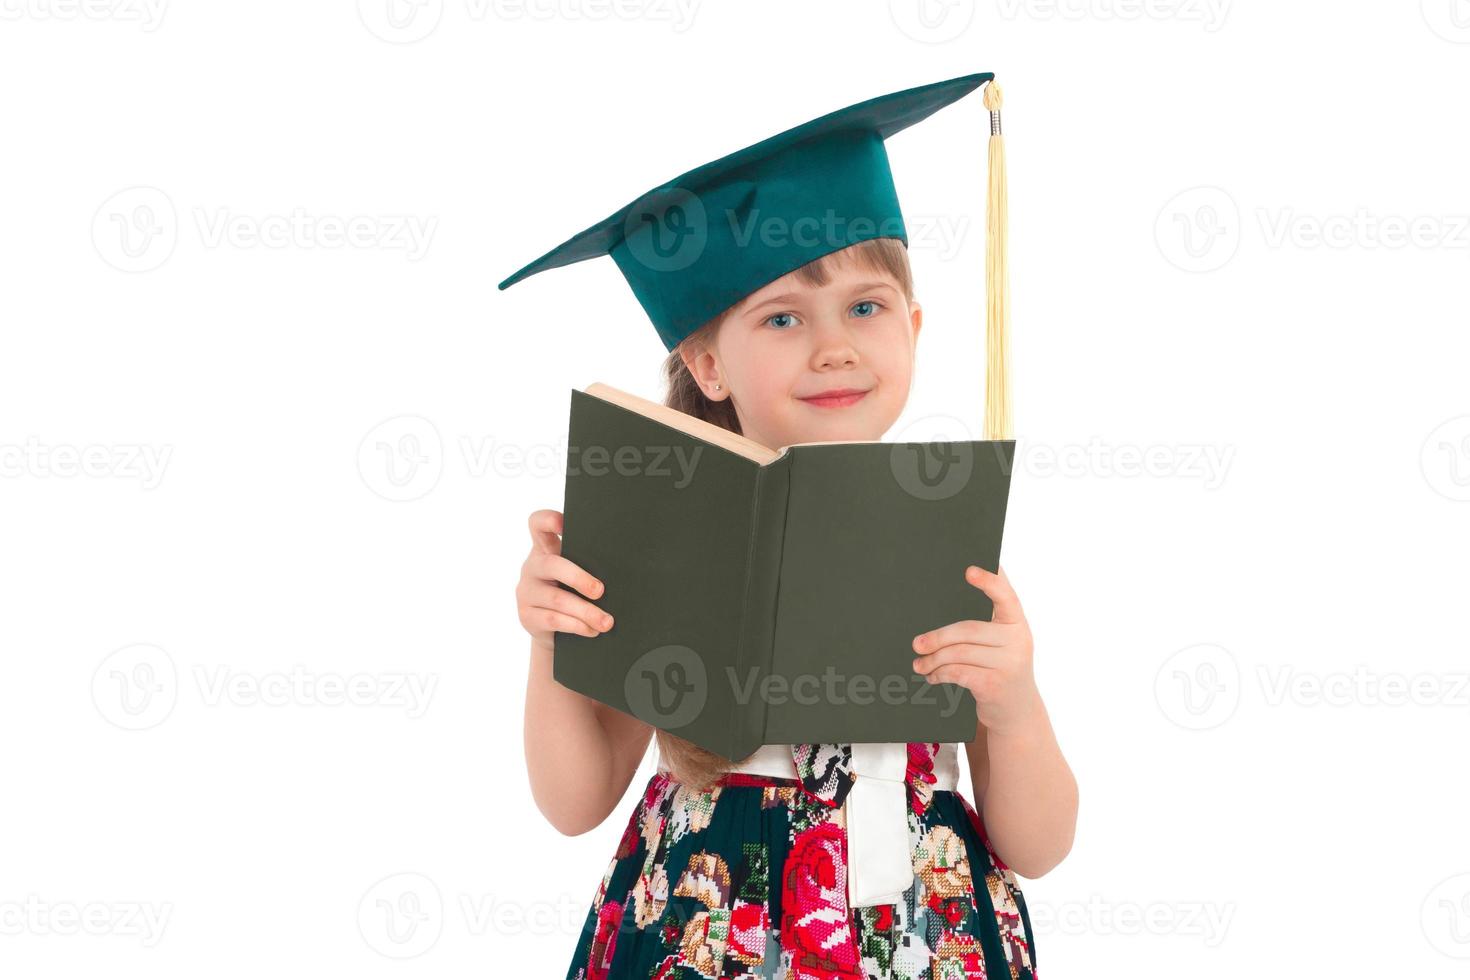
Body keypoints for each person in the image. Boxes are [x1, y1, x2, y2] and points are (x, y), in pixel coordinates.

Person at [507, 71, 1078, 980]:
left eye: (865, 306)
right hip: (702, 930)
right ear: (709, 363)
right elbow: (575, 800)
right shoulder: (665, 529)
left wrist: (1012, 708)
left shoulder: (947, 530)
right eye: (782, 316)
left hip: (918, 932)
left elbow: (1040, 844)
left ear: (915, 328)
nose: (834, 346)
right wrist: (551, 642)